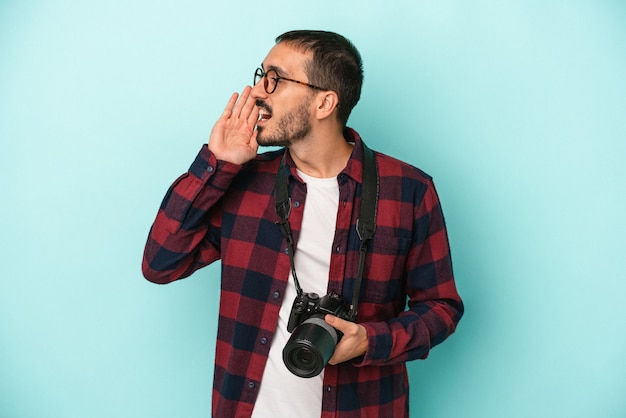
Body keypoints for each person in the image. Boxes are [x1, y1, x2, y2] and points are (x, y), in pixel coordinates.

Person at [142, 30, 463, 418]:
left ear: (325, 102)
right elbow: (160, 263)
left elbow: (441, 307)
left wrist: (369, 341)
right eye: (261, 74)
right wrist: (217, 162)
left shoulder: (409, 190)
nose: (258, 91)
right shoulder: (242, 180)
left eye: (275, 79)